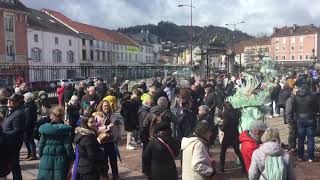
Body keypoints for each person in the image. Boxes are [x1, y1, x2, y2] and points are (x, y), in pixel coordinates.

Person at [37, 107, 75, 180]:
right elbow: (68, 147)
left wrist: (42, 155)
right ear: (62, 117)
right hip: (61, 160)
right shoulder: (65, 130)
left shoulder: (45, 129)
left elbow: (41, 145)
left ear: (52, 116)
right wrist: (72, 159)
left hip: (46, 159)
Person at [1, 93, 25, 180]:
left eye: (12, 101)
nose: (9, 101)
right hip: (7, 142)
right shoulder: (10, 111)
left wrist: (4, 135)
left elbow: (17, 130)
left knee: (14, 166)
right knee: (11, 165)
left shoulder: (19, 113)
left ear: (17, 103)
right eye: (9, 100)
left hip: (13, 144)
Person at [292, 84, 318, 162]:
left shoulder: (296, 96)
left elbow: (294, 108)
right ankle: (310, 157)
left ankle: (300, 156)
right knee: (310, 139)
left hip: (300, 118)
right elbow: (316, 108)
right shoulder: (313, 96)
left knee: (300, 139)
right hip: (310, 118)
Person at [96, 100, 120, 180]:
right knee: (104, 161)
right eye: (104, 106)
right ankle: (104, 176)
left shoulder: (112, 115)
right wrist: (106, 128)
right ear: (101, 107)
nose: (106, 107)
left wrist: (117, 136)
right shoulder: (98, 116)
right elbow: (96, 129)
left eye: (107, 105)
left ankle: (115, 175)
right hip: (103, 141)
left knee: (114, 160)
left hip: (111, 141)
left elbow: (117, 127)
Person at [219, 101, 245, 172]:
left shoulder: (226, 115)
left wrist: (220, 126)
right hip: (235, 134)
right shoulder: (237, 113)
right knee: (238, 151)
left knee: (223, 151)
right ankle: (244, 166)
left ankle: (222, 166)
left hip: (227, 135)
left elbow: (224, 127)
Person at [23, 92, 38, 161]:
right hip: (30, 125)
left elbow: (28, 119)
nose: (24, 99)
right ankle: (30, 153)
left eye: (25, 98)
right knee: (27, 140)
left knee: (30, 140)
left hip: (29, 126)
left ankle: (33, 154)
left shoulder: (29, 107)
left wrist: (25, 127)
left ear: (28, 99)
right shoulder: (29, 105)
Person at [285, 86, 298, 152]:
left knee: (294, 134)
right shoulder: (290, 100)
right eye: (296, 91)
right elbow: (288, 111)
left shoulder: (295, 98)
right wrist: (290, 120)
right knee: (291, 134)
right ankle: (290, 147)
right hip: (292, 120)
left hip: (295, 119)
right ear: (293, 91)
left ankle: (294, 147)